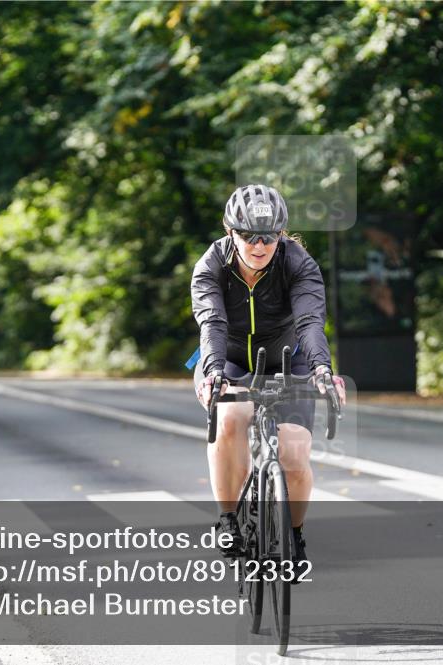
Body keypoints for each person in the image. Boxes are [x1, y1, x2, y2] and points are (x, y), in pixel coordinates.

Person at [190, 184, 347, 580]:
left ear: (281, 234)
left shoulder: (298, 263)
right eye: (248, 236)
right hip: (226, 359)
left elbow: (311, 322)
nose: (259, 246)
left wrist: (322, 370)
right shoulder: (210, 266)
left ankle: (293, 535)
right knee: (229, 421)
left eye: (270, 236)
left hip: (288, 360)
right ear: (231, 233)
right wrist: (212, 372)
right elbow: (212, 323)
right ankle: (228, 519)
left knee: (294, 453)